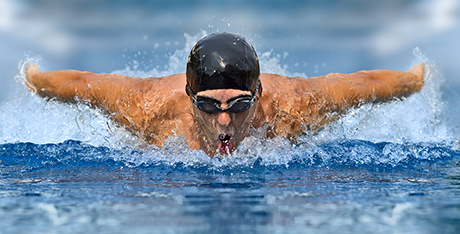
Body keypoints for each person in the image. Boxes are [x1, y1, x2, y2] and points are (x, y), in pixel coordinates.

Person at [25, 32, 425, 156]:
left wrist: (414, 80)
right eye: (208, 104)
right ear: (187, 95)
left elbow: (365, 86)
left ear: (259, 92)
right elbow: (82, 86)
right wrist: (35, 78)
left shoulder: (295, 108)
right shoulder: (148, 108)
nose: (223, 120)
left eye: (239, 104)